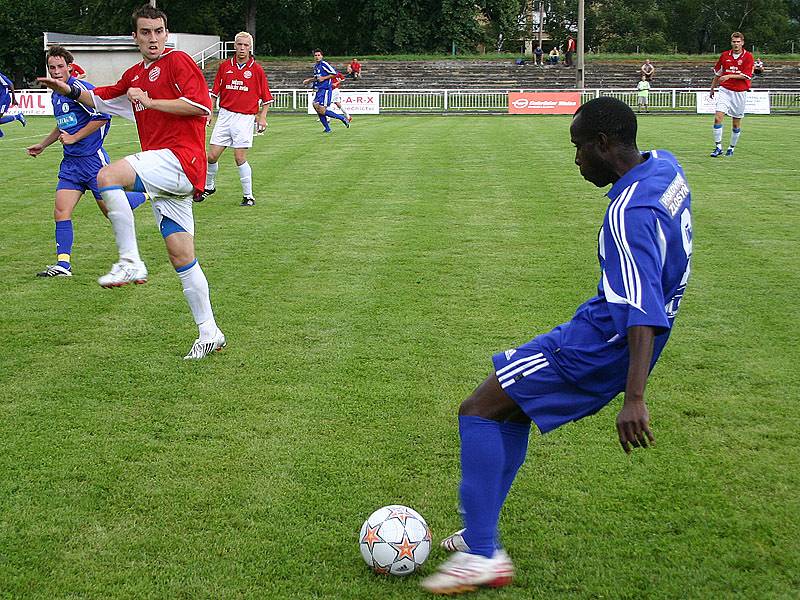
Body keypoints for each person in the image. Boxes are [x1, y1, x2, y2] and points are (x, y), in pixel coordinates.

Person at [420, 96, 693, 595]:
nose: (575, 160)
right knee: (513, 411)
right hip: (606, 331)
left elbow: (642, 309)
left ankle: (482, 555)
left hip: (600, 345)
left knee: (478, 410)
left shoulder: (628, 213)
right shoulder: (666, 168)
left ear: (604, 145)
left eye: (578, 148)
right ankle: (480, 533)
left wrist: (634, 398)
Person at [37, 3, 225, 359]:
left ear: (166, 34)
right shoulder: (135, 74)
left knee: (107, 175)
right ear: (134, 37)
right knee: (181, 257)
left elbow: (201, 108)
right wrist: (68, 90)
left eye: (158, 32)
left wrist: (151, 101)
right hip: (165, 173)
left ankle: (130, 260)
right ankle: (209, 331)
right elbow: (102, 98)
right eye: (145, 32)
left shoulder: (178, 62)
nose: (153, 39)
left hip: (181, 160)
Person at [27, 46, 148, 278]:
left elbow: (103, 116)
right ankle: (63, 265)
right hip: (71, 164)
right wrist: (43, 144)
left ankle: (148, 194)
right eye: (51, 67)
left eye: (60, 66)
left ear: (70, 67)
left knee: (111, 211)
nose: (56, 71)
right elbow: (63, 123)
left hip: (93, 161)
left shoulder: (80, 90)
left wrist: (75, 137)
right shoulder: (55, 93)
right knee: (61, 211)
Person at [198, 31, 273, 207]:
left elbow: (267, 98)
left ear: (250, 47)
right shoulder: (225, 66)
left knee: (239, 157)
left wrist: (262, 117)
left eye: (246, 45)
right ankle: (209, 187)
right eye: (239, 44)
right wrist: (210, 112)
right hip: (225, 115)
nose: (242, 48)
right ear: (234, 45)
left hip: (245, 118)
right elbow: (214, 93)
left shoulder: (256, 69)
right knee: (211, 156)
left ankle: (248, 196)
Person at [709, 31, 754, 157]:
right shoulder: (724, 55)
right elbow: (718, 74)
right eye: (734, 41)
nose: (736, 44)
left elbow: (746, 76)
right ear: (731, 42)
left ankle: (731, 147)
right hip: (725, 90)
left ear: (742, 43)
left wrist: (729, 76)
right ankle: (718, 147)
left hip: (739, 92)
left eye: (738, 42)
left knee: (736, 123)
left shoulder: (748, 57)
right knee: (718, 117)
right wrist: (712, 88)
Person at [302, 49, 349, 133]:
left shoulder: (324, 64)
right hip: (320, 89)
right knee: (316, 106)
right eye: (315, 55)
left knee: (322, 110)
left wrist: (324, 78)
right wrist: (309, 81)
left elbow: (334, 74)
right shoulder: (316, 66)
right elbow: (317, 78)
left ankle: (342, 118)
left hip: (326, 89)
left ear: (322, 56)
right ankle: (327, 128)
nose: (317, 57)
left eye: (319, 55)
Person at [0, 70, 26, 138]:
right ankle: (18, 116)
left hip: (3, 99)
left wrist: (14, 98)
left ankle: (17, 116)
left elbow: (10, 84)